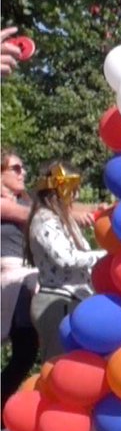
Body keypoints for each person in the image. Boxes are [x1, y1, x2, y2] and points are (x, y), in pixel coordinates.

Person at [23, 161, 104, 363]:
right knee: (57, 367)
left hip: (75, 300)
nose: (76, 195)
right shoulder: (44, 219)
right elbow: (66, 258)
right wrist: (103, 255)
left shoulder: (63, 218)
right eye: (73, 189)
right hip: (57, 305)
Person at [1, 151, 38, 410]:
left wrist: (98, 211)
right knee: (25, 350)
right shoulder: (8, 205)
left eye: (22, 167)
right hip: (10, 281)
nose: (22, 172)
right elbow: (32, 215)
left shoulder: (25, 202)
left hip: (25, 282)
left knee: (26, 352)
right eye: (15, 168)